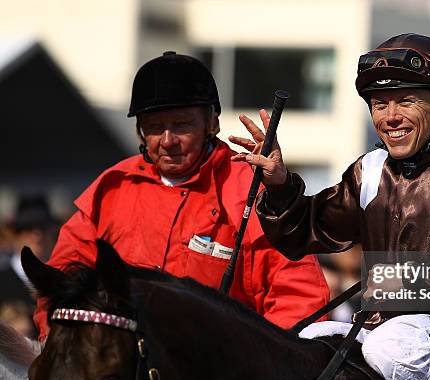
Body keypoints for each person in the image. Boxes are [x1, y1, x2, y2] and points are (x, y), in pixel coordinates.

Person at [230, 34, 430, 380]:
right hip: (377, 330)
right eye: (380, 103)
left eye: (406, 101)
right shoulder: (369, 171)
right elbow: (304, 232)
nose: (391, 116)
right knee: (301, 345)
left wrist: (411, 280)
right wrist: (280, 185)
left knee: (392, 346)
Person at [33, 51, 330, 341]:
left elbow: (297, 297)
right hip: (120, 374)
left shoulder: (249, 190)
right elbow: (62, 280)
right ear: (139, 131)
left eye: (181, 125)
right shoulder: (111, 189)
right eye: (154, 127)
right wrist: (55, 338)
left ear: (212, 123)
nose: (167, 141)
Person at [0, 195, 59, 338]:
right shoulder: (1, 280)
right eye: (28, 228)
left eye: (43, 228)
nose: (36, 235)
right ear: (15, 233)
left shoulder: (64, 279)